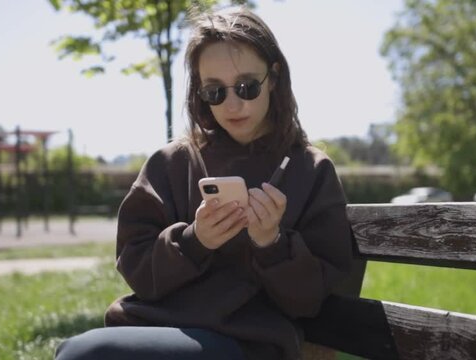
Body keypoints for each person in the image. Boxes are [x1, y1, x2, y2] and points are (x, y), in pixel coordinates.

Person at [55, 5, 353, 360]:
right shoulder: (171, 163)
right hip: (155, 326)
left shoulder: (309, 170)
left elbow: (310, 300)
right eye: (215, 91)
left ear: (273, 77)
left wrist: (271, 244)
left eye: (246, 86)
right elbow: (139, 271)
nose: (232, 104)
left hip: (247, 342)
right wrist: (194, 241)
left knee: (85, 354)